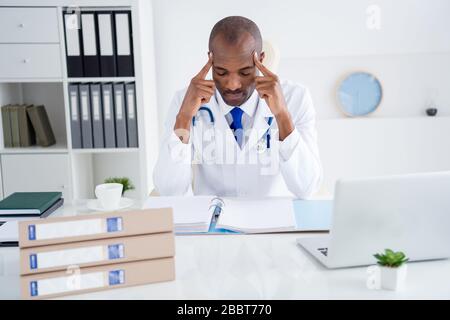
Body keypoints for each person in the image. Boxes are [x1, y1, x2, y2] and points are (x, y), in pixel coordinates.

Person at [154, 16, 322, 198]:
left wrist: (282, 116)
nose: (233, 84)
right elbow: (169, 191)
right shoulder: (185, 100)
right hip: (212, 222)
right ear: (210, 59)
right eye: (221, 72)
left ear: (261, 59)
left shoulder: (294, 98)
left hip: (273, 222)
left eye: (245, 72)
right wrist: (184, 117)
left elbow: (307, 188)